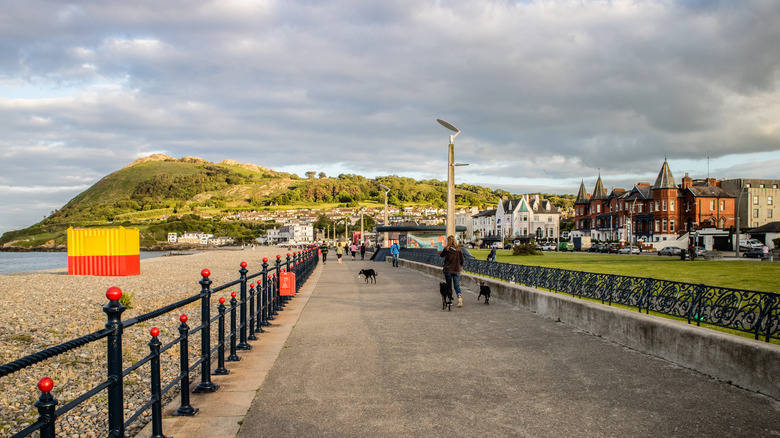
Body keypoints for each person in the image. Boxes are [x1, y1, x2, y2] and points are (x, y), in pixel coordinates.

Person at [440, 235, 466, 307]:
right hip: (457, 270)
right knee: (457, 286)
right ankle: (459, 297)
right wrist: (459, 265)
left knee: (449, 286)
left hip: (448, 270)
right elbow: (463, 260)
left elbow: (441, 255)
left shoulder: (446, 249)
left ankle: (449, 300)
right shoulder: (459, 250)